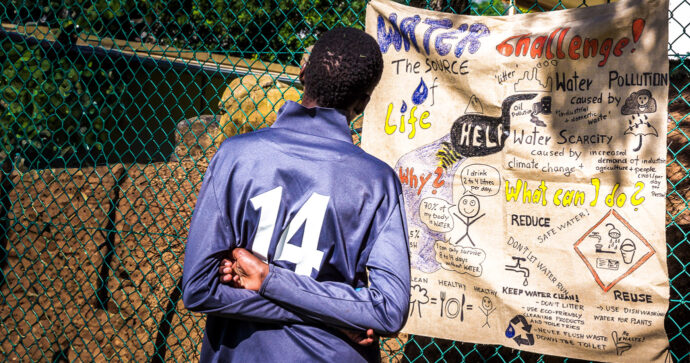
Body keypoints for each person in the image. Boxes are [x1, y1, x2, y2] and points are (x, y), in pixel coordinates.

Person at [182, 27, 411, 362]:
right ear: (363, 102)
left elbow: (199, 289)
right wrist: (338, 315)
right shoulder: (377, 182)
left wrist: (267, 278)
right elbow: (387, 310)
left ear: (302, 73)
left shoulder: (234, 156)